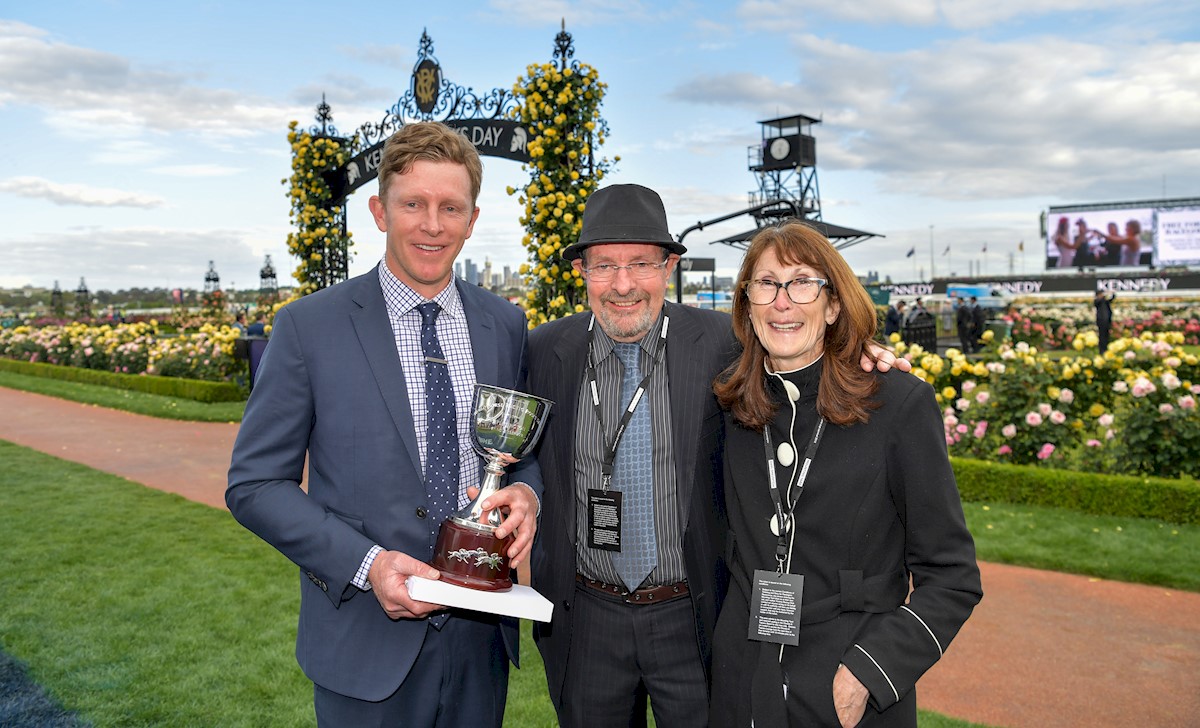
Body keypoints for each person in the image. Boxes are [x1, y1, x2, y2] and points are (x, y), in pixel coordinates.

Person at [525, 184, 909, 728]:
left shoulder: (723, 345)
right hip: (587, 619)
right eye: (604, 265)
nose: (623, 284)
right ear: (581, 270)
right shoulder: (544, 351)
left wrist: (859, 352)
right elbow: (518, 452)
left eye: (640, 264)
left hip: (692, 616)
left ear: (670, 266)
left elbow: (797, 347)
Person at [226, 121, 542, 728]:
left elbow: (517, 451)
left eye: (450, 207)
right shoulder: (308, 327)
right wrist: (368, 563)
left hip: (480, 642)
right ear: (379, 210)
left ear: (472, 220)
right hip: (364, 644)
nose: (432, 224)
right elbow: (254, 485)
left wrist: (527, 493)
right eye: (413, 204)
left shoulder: (504, 323)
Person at [710, 221, 982, 727]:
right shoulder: (729, 401)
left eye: (803, 282)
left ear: (833, 304)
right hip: (743, 679)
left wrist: (869, 672)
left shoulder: (898, 404)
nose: (782, 302)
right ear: (747, 304)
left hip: (849, 686)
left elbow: (953, 577)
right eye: (766, 284)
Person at [1095, 289, 1116, 354]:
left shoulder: (1105, 301)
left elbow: (1111, 299)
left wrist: (1112, 294)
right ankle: (1102, 350)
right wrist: (1104, 296)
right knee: (1102, 336)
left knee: (1107, 335)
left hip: (1107, 320)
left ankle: (1106, 349)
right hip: (1101, 321)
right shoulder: (1097, 301)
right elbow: (1098, 301)